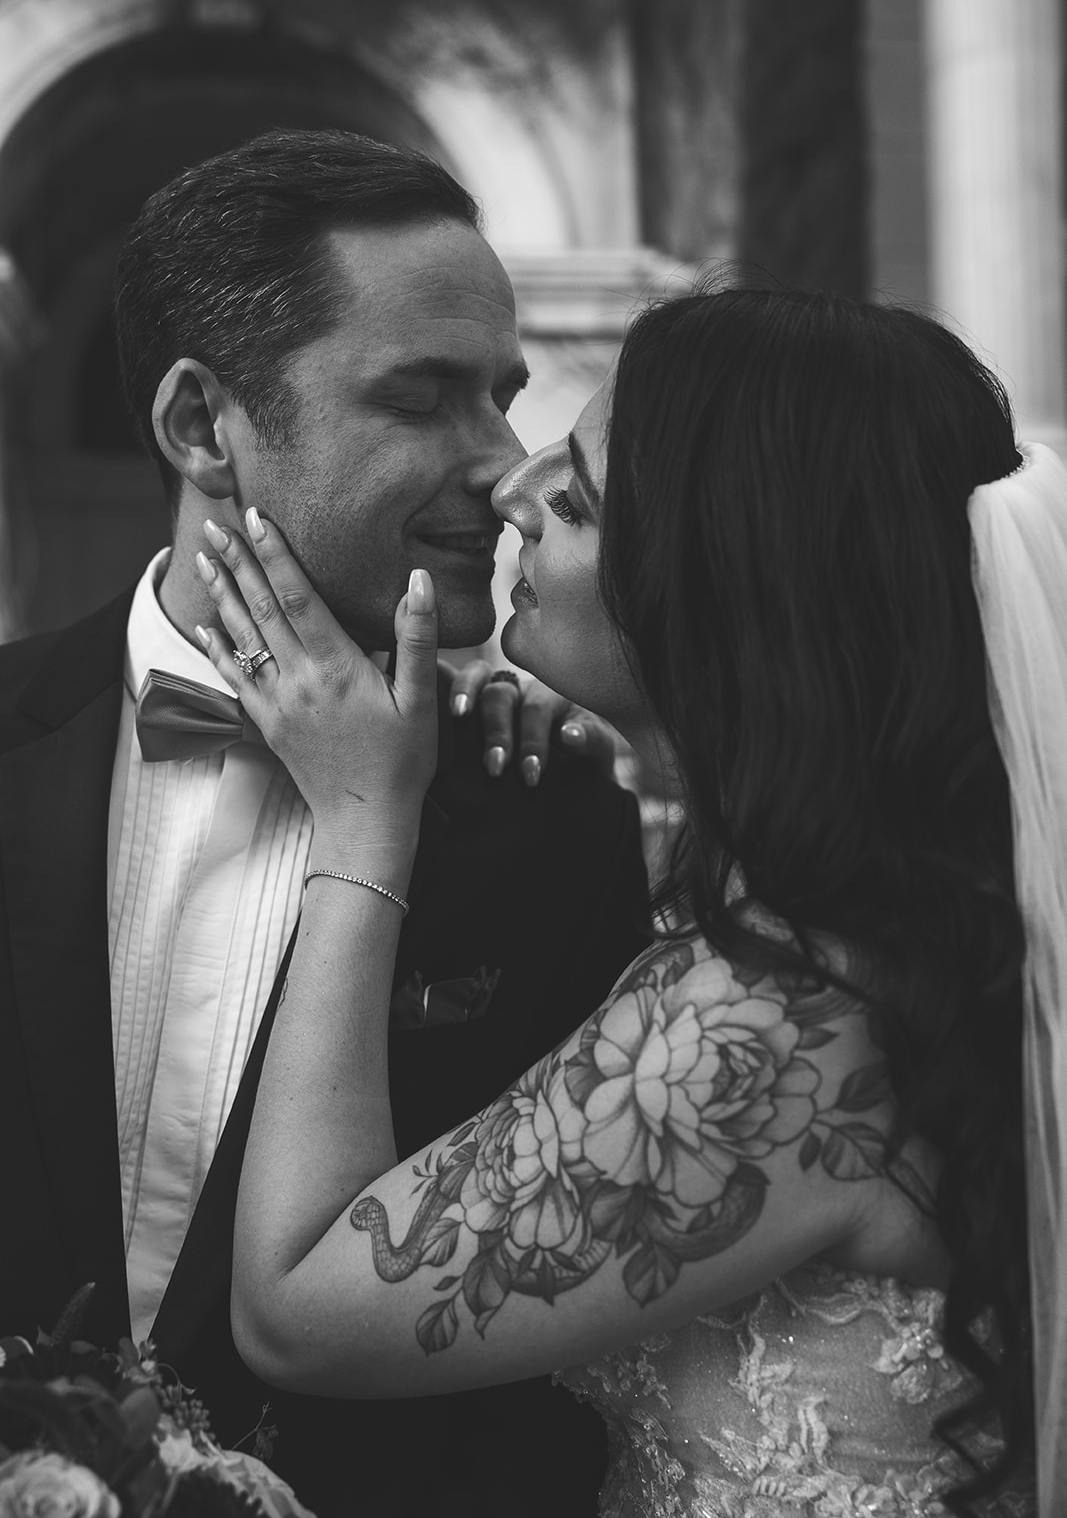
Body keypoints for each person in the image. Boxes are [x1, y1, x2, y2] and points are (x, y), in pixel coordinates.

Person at [202, 286, 1053, 1516]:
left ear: (724, 586)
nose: (511, 488)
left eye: (581, 497)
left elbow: (295, 1310)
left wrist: (358, 819)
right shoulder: (878, 940)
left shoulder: (782, 1025)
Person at [0, 129, 652, 1518]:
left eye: (503, 397)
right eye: (421, 399)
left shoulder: (549, 812)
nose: (501, 465)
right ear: (199, 427)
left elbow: (565, 1372)